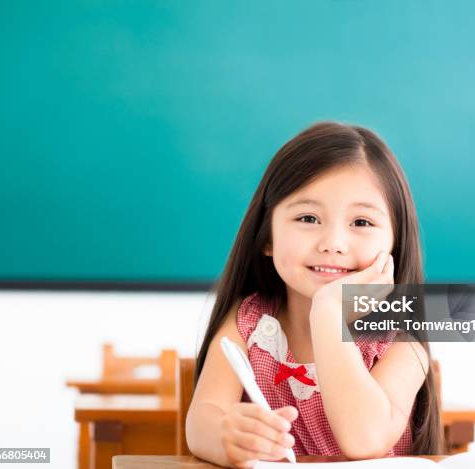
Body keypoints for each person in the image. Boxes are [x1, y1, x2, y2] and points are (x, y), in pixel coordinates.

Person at [186, 121, 443, 468]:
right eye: (308, 218)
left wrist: (328, 313)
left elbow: (363, 440)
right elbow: (202, 422)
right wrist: (226, 436)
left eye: (362, 223)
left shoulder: (403, 338)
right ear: (267, 237)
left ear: (394, 244)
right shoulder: (249, 323)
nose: (333, 244)